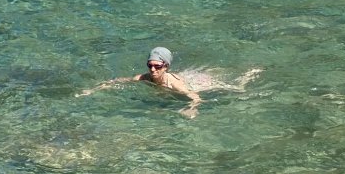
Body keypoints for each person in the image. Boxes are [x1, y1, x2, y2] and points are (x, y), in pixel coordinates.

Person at [79, 47, 258, 119]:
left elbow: (195, 97)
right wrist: (92, 91)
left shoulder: (176, 85)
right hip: (185, 77)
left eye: (157, 66)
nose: (152, 70)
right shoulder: (144, 78)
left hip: (198, 83)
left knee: (236, 88)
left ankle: (248, 75)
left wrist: (192, 108)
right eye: (150, 66)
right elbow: (116, 81)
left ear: (166, 66)